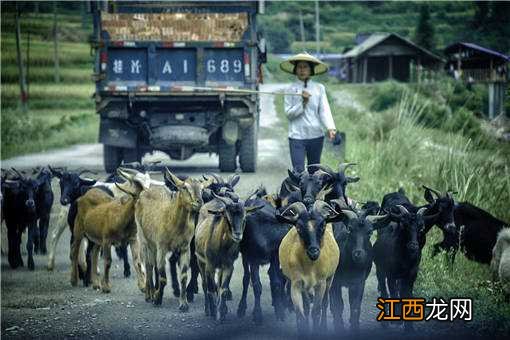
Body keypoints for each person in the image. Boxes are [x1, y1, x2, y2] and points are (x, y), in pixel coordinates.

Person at [280, 52, 336, 173]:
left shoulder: (319, 88)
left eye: (305, 67)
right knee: (298, 172)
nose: (302, 70)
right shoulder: (289, 89)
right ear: (295, 69)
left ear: (311, 70)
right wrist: (303, 103)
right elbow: (289, 114)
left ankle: (313, 193)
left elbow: (324, 109)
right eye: (299, 67)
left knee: (314, 172)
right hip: (296, 136)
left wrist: (330, 128)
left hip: (316, 135)